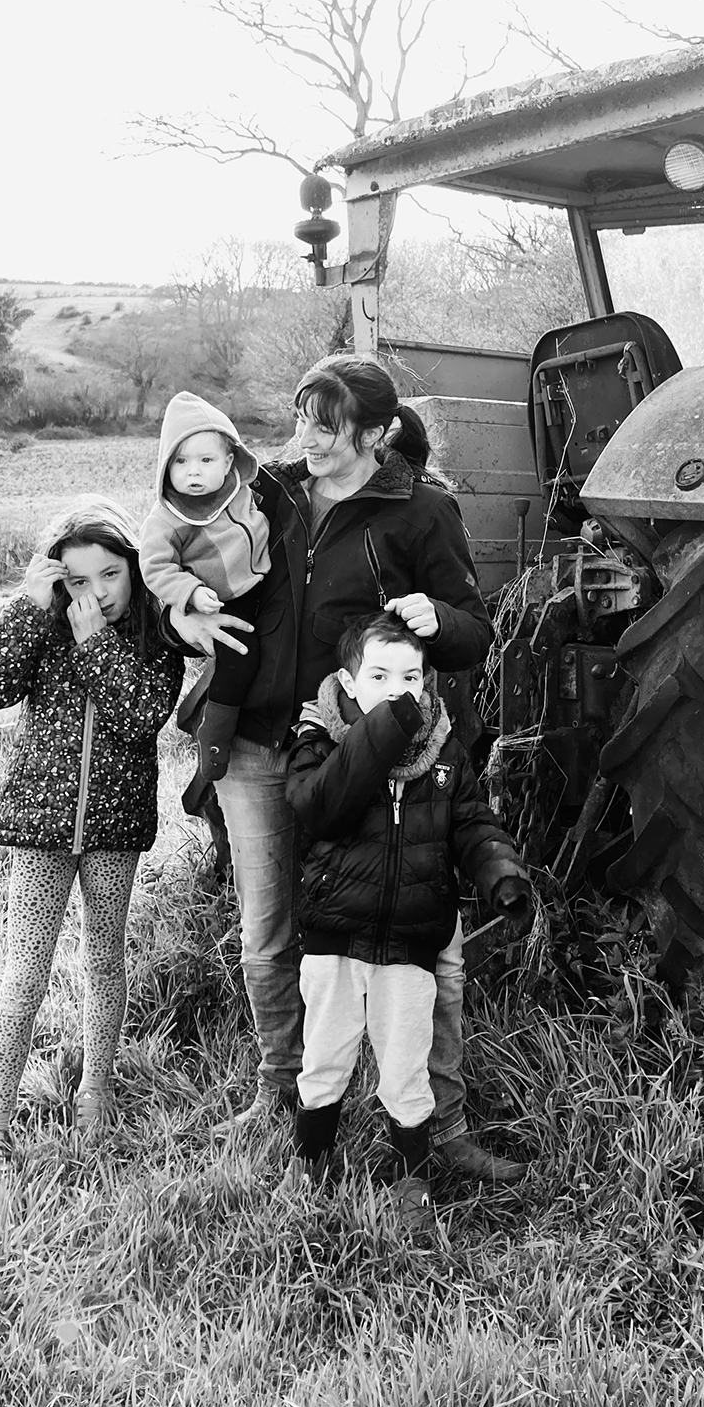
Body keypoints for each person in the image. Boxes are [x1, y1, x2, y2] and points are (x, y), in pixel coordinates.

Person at [168, 351, 528, 1184]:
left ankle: (442, 1124)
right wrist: (181, 606)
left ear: (375, 433)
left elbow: (474, 632)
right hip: (259, 739)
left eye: (327, 426)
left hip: (371, 754)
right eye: (302, 419)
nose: (307, 439)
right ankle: (284, 1095)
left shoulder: (421, 512)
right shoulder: (269, 494)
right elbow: (180, 547)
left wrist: (437, 618)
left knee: (426, 943)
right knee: (269, 933)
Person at [285, 615, 534, 1225]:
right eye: (379, 677)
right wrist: (381, 734)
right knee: (324, 1059)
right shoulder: (320, 739)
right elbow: (316, 806)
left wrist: (500, 872)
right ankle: (311, 1163)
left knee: (406, 1069)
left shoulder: (443, 752)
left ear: (428, 682)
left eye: (411, 678)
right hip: (336, 939)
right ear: (348, 682)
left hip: (409, 943)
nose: (398, 691)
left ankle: (410, 1182)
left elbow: (471, 823)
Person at [0, 495, 183, 1172]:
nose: (99, 592)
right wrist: (29, 609)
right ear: (60, 580)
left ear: (134, 568)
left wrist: (96, 647)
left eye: (111, 574)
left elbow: (140, 717)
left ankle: (96, 1088)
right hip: (42, 829)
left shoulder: (156, 638)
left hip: (115, 829)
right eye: (80, 580)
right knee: (25, 973)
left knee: (104, 958)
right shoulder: (44, 626)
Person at [138, 389, 273, 812]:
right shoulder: (167, 518)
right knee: (239, 656)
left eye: (206, 460)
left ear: (230, 462)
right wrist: (191, 594)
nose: (193, 471)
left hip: (262, 583)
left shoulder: (242, 491)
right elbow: (155, 568)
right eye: (180, 462)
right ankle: (214, 733)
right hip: (218, 600)